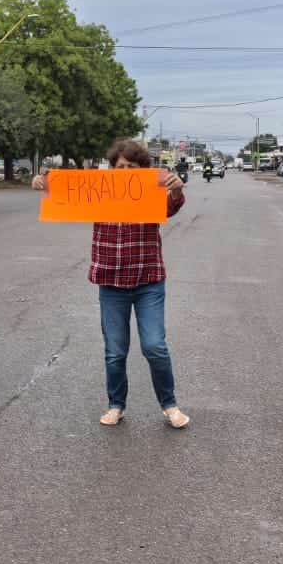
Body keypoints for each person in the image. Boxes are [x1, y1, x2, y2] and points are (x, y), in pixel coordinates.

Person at [33, 141, 190, 429]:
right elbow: (64, 193)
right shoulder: (99, 194)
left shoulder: (151, 192)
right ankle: (116, 405)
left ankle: (169, 405)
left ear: (143, 170)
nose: (126, 171)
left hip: (148, 282)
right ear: (112, 168)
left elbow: (172, 205)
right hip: (111, 284)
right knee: (115, 351)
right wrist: (43, 182)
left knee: (154, 346)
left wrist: (177, 189)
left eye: (132, 167)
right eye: (121, 167)